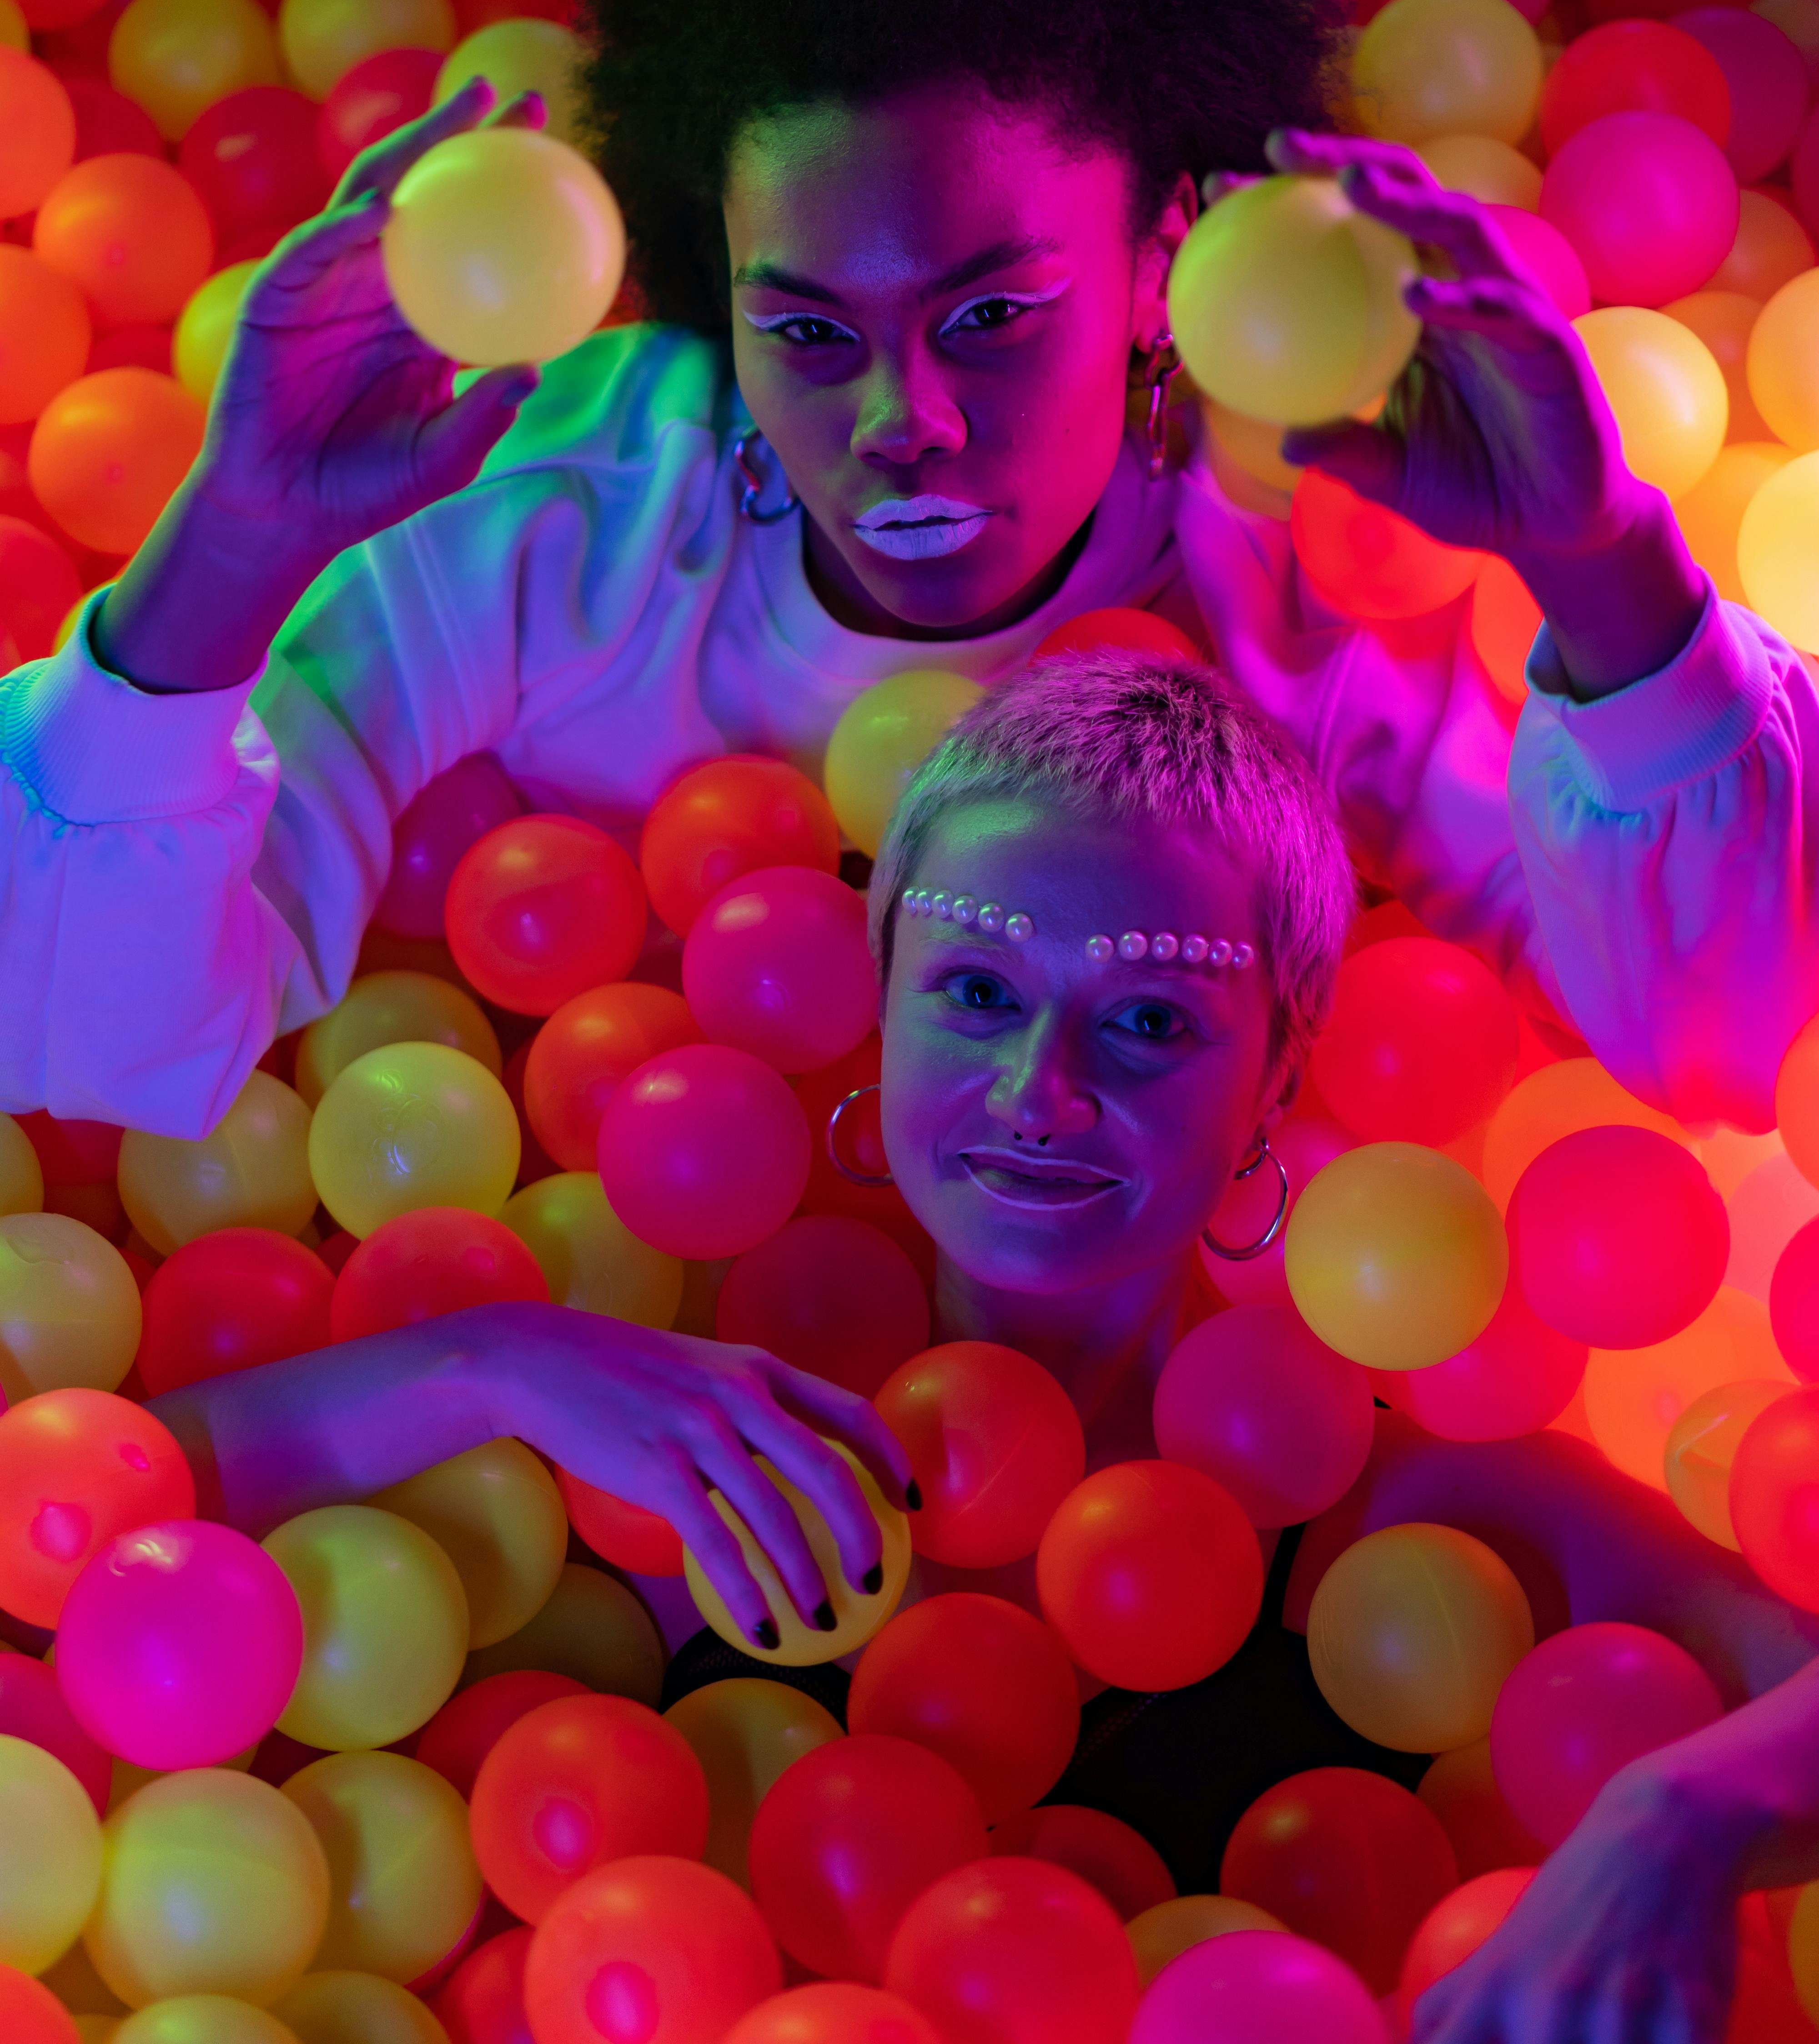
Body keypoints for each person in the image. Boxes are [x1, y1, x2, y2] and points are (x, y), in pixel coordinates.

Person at [1, 0, 1814, 1134]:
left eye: (997, 315)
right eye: (804, 328)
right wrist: (236, 537)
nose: (904, 421)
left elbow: (1724, 1051)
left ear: (1166, 252)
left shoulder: (1316, 573)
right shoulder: (569, 509)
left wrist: (1605, 566)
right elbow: (87, 1038)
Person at [146, 653, 1819, 2043]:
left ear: (1281, 1067)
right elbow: (96, 1548)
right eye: (975, 994)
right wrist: (489, 1362)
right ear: (880, 993)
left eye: (1152, 1018)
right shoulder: (660, 1463)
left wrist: (1686, 1817)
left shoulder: (1433, 1536)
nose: (1044, 1091)